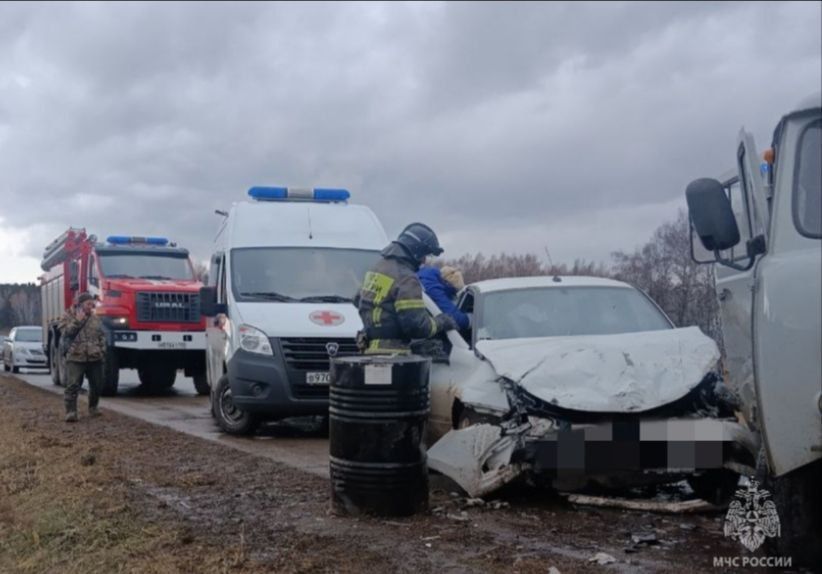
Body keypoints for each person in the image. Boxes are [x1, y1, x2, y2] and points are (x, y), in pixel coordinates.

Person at [356, 223, 458, 354]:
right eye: (424, 255)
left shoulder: (376, 268)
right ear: (416, 252)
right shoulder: (406, 279)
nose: (424, 261)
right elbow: (417, 327)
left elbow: (358, 299)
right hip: (394, 356)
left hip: (369, 349)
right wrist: (441, 322)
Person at [59, 292, 106, 422]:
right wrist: (77, 322)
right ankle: (71, 412)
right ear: (80, 304)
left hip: (95, 357)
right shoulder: (68, 316)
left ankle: (93, 408)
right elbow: (66, 333)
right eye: (88, 304)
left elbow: (101, 335)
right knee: (73, 385)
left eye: (92, 304)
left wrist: (102, 350)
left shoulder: (95, 318)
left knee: (97, 384)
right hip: (75, 357)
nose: (91, 306)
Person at [418, 265, 470, 331]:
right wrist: (470, 319)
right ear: (447, 284)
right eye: (454, 290)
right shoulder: (432, 288)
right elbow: (453, 318)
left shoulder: (431, 275)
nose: (453, 294)